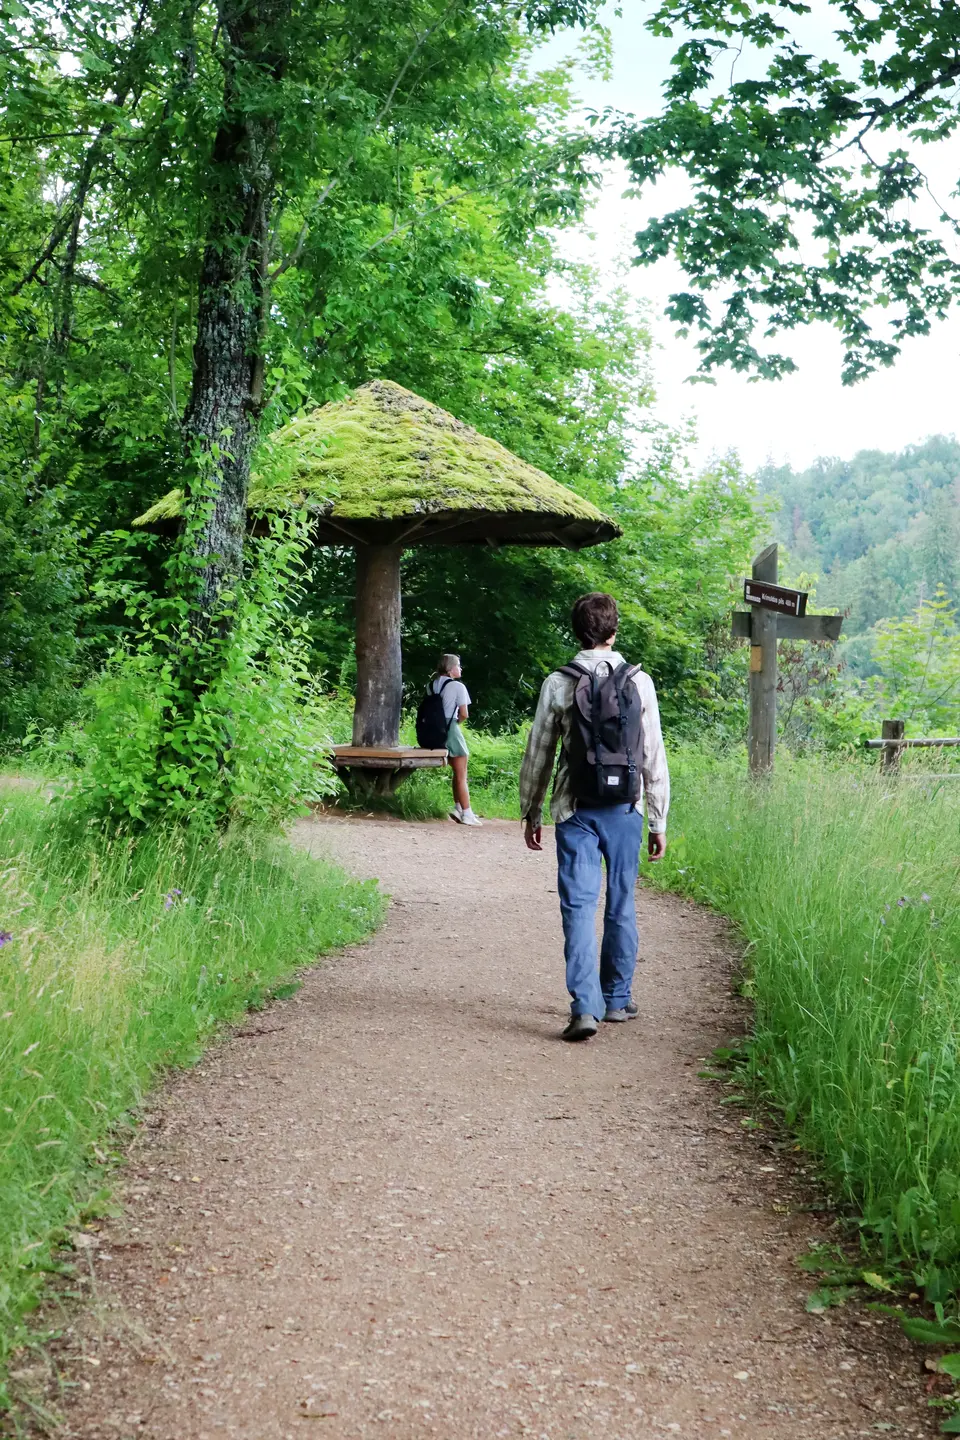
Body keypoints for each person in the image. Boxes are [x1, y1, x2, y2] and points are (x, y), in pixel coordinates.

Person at [518, 592, 669, 1041]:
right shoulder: (639, 682)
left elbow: (539, 751)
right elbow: (652, 754)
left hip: (575, 807)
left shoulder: (559, 682)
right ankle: (617, 1000)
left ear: (575, 630)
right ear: (614, 629)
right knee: (621, 904)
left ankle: (585, 1007)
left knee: (579, 908)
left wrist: (531, 809)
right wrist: (657, 819)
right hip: (625, 808)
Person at [432, 654, 482, 827]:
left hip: (433, 731)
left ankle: (458, 807)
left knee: (456, 771)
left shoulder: (432, 684)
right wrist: (456, 725)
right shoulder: (457, 686)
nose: (460, 669)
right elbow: (464, 714)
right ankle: (467, 813)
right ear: (450, 669)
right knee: (462, 773)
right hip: (450, 728)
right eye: (458, 665)